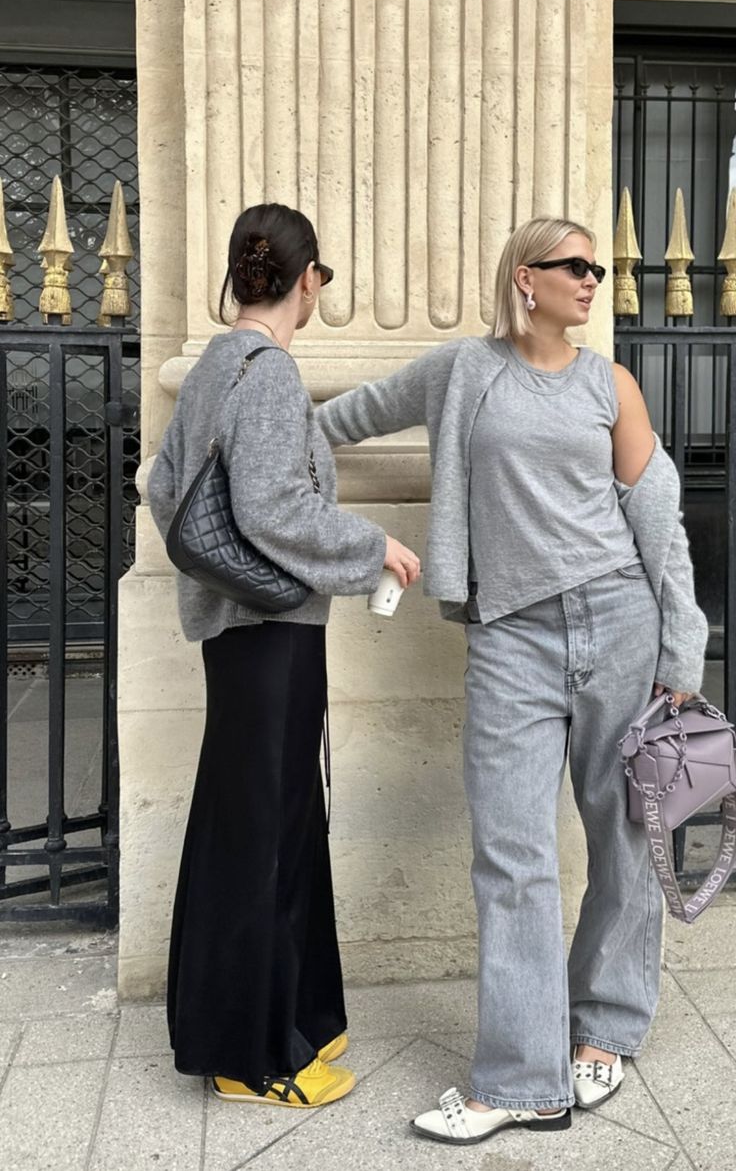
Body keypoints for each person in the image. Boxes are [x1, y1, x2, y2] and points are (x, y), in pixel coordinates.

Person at [315, 216, 708, 1145]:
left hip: (618, 622)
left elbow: (661, 521)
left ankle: (607, 1025)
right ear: (525, 278)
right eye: (577, 266)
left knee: (623, 833)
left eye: (598, 268)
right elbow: (345, 416)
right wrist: (246, 431)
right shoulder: (461, 372)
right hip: (509, 639)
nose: (594, 280)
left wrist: (680, 653)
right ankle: (524, 1078)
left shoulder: (610, 382)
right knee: (511, 852)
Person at [147, 202, 421, 1109]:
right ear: (307, 280)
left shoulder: (219, 363)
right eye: (323, 279)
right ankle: (251, 1056)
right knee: (266, 834)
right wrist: (369, 546)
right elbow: (270, 506)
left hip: (246, 632)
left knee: (259, 828)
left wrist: (211, 576)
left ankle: (268, 1029)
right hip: (270, 632)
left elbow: (161, 485)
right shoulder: (265, 372)